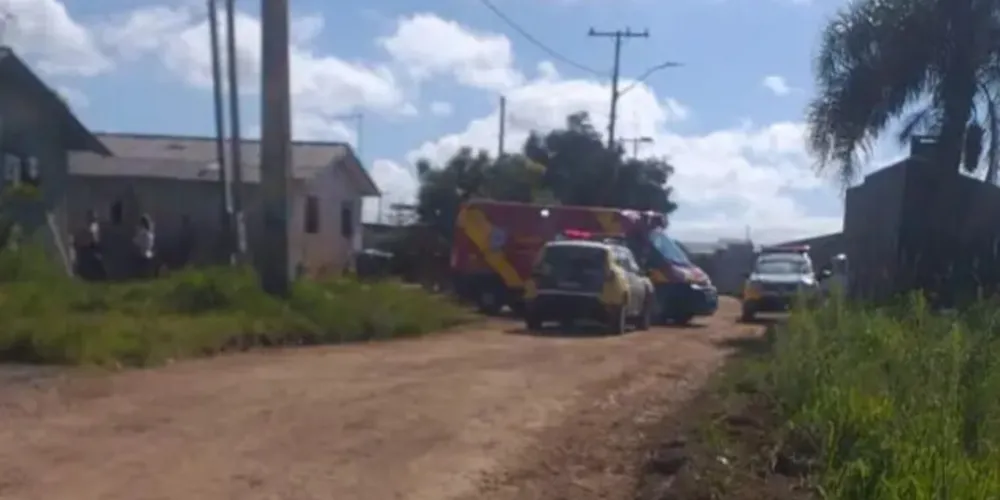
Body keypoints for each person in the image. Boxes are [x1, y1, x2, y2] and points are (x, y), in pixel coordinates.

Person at [72, 209, 105, 281]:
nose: (93, 222)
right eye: (91, 220)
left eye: (94, 220)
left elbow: (97, 244)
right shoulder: (82, 232)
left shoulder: (96, 230)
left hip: (91, 253)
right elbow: (78, 247)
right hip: (85, 255)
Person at [133, 214, 156, 278]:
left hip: (144, 252)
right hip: (149, 252)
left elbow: (136, 241)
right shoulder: (150, 232)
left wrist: (137, 233)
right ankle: (147, 274)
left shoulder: (144, 233)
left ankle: (143, 274)